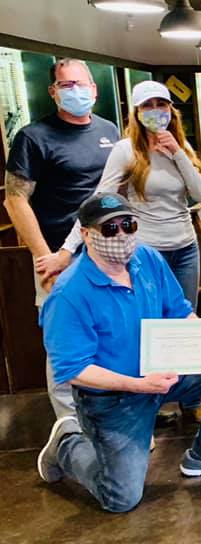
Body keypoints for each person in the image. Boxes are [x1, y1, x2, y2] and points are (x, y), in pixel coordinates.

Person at [36, 192, 201, 513]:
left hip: (164, 371)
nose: (122, 235)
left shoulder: (148, 259)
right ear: (86, 234)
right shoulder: (69, 294)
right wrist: (139, 385)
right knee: (121, 499)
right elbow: (74, 370)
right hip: (114, 399)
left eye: (128, 225)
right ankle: (67, 442)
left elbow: (179, 311)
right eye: (110, 228)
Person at [53, 80, 201, 424]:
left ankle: (189, 398)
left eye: (161, 105)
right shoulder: (126, 151)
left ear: (171, 110)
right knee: (147, 327)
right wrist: (67, 248)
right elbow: (97, 201)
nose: (156, 112)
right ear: (136, 113)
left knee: (185, 323)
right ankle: (151, 401)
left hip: (185, 247)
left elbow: (200, 194)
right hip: (147, 252)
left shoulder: (181, 146)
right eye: (148, 106)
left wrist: (177, 152)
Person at [3, 58, 119, 419]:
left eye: (81, 84)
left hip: (108, 253)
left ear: (94, 90)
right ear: (53, 92)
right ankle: (71, 427)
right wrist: (45, 260)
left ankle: (114, 416)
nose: (75, 91)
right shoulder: (33, 137)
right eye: (66, 85)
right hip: (59, 256)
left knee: (111, 335)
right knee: (66, 341)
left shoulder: (109, 130)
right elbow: (14, 200)